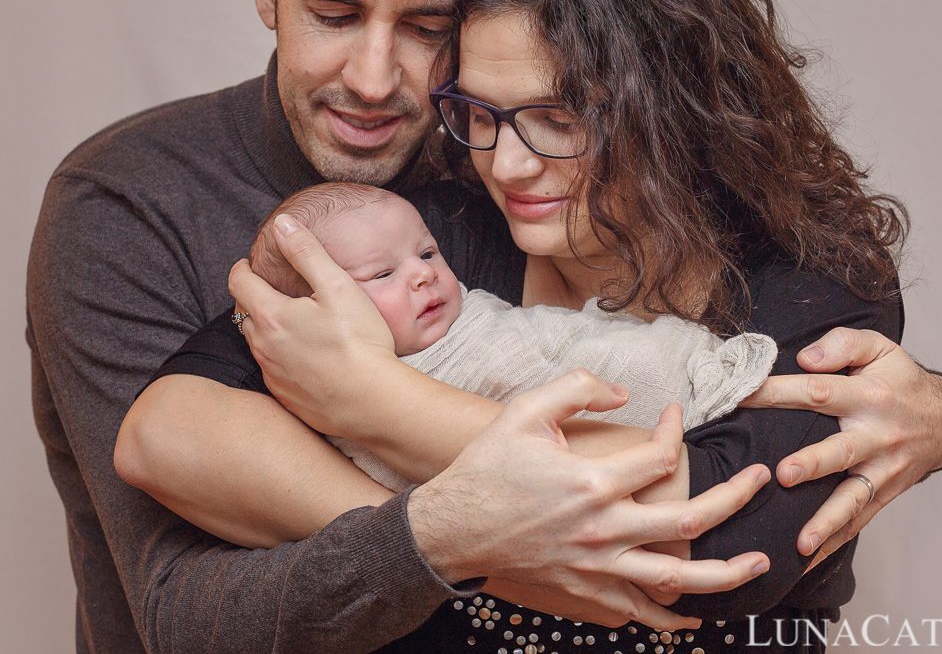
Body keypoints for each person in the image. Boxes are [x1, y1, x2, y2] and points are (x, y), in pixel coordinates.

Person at [25, 0, 942, 650]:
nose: (373, 78)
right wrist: (483, 536)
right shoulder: (433, 219)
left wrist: (375, 403)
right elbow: (167, 479)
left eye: (427, 28)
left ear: (666, 98)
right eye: (335, 12)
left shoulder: (802, 272)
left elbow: (712, 539)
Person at [239, 181, 777, 490]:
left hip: (631, 397)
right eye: (382, 275)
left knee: (638, 353)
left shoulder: (473, 319)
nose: (423, 273)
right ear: (313, 316)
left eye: (427, 253)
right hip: (580, 479)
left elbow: (563, 339)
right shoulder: (310, 393)